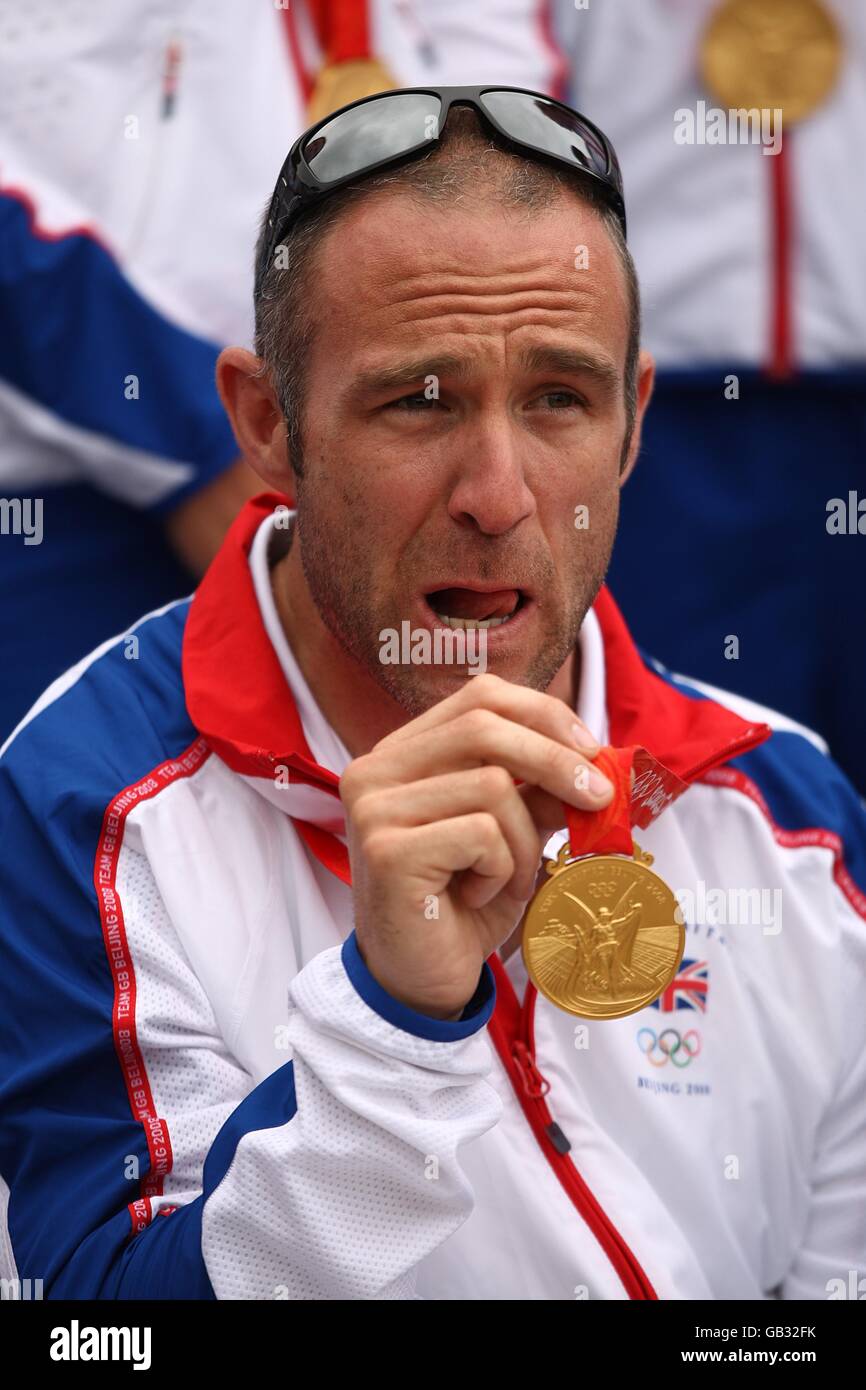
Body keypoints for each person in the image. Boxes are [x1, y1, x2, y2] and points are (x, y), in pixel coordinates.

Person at [0, 87, 864, 1301]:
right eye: (419, 401)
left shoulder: (790, 814)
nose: (498, 494)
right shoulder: (81, 806)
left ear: (631, 427)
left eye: (559, 398)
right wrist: (392, 1025)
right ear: (265, 422)